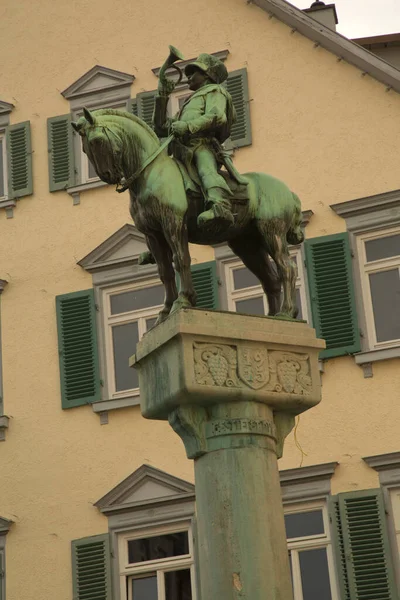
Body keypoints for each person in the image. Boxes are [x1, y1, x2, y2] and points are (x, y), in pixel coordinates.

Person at [153, 53, 237, 230]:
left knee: (205, 168)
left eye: (193, 73)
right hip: (180, 151)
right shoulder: (189, 102)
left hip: (202, 144)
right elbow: (161, 127)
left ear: (207, 75)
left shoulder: (215, 91)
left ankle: (220, 206)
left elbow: (217, 116)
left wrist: (188, 126)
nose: (188, 77)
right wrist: (162, 96)